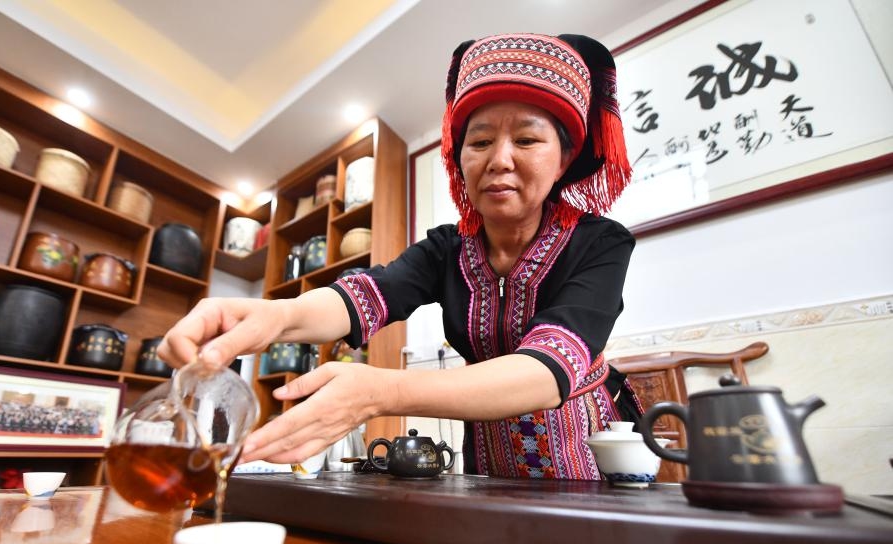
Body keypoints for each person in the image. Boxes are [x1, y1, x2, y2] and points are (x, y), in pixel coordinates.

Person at [159, 32, 642, 478]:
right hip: (490, 460)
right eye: (479, 141)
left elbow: (548, 368)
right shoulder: (447, 249)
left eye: (527, 139)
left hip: (589, 451)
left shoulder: (600, 243)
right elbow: (364, 298)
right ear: (460, 158)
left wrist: (379, 393)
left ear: (564, 159)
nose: (499, 160)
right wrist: (274, 316)